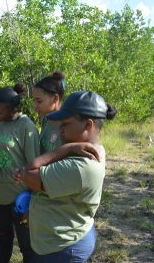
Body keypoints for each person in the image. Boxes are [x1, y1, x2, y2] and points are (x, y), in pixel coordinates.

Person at [15, 91, 117, 263]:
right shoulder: (91, 150)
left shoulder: (83, 165)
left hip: (62, 249)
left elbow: (29, 173)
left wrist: (65, 149)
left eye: (66, 123)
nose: (60, 128)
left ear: (88, 125)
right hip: (60, 240)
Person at [0, 84, 40, 263]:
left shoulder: (26, 127)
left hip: (19, 200)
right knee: (3, 239)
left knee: (27, 247)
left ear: (13, 111)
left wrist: (33, 199)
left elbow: (35, 166)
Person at [32, 71, 65, 153]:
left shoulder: (67, 125)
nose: (35, 106)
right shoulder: (46, 119)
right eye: (34, 101)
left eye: (39, 101)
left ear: (55, 99)